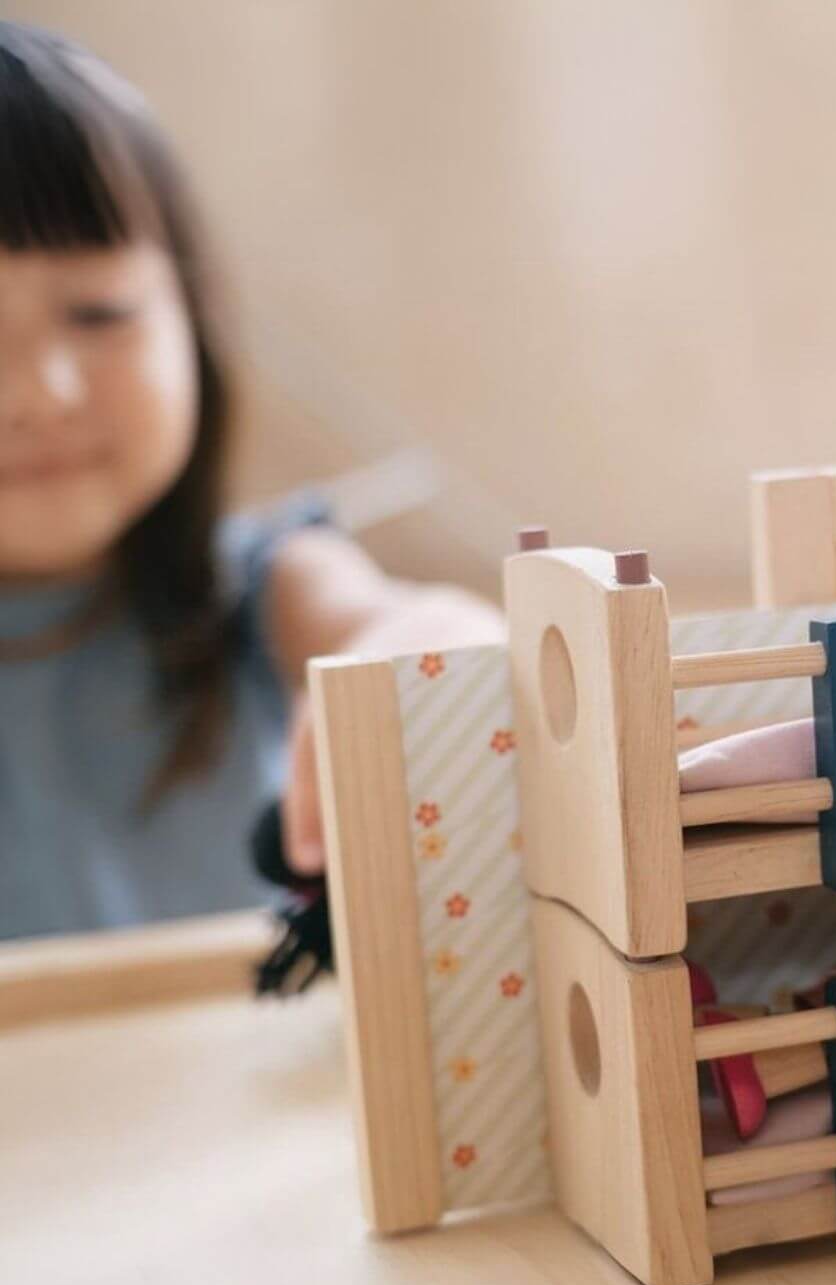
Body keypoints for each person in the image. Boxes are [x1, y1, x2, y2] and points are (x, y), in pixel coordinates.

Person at [0, 23, 505, 940]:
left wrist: (426, 653)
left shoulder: (263, 587)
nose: (41, 392)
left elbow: (424, 636)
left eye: (99, 312)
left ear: (190, 322)